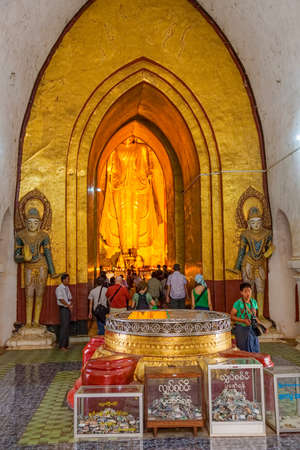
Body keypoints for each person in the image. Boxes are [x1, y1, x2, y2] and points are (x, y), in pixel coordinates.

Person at [231, 282, 265, 353]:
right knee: (244, 349)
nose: (248, 293)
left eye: (249, 291)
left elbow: (254, 317)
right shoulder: (238, 303)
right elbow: (232, 316)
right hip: (241, 327)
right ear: (241, 292)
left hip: (252, 328)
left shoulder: (254, 302)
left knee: (254, 347)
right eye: (245, 291)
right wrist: (243, 321)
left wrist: (262, 326)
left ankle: (254, 362)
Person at [55, 273, 72, 351]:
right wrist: (68, 305)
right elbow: (60, 298)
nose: (69, 281)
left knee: (67, 326)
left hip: (67, 308)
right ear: (64, 280)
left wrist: (71, 304)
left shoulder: (67, 287)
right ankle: (61, 345)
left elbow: (69, 297)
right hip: (63, 308)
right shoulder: (59, 288)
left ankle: (66, 344)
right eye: (68, 279)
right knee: (64, 327)